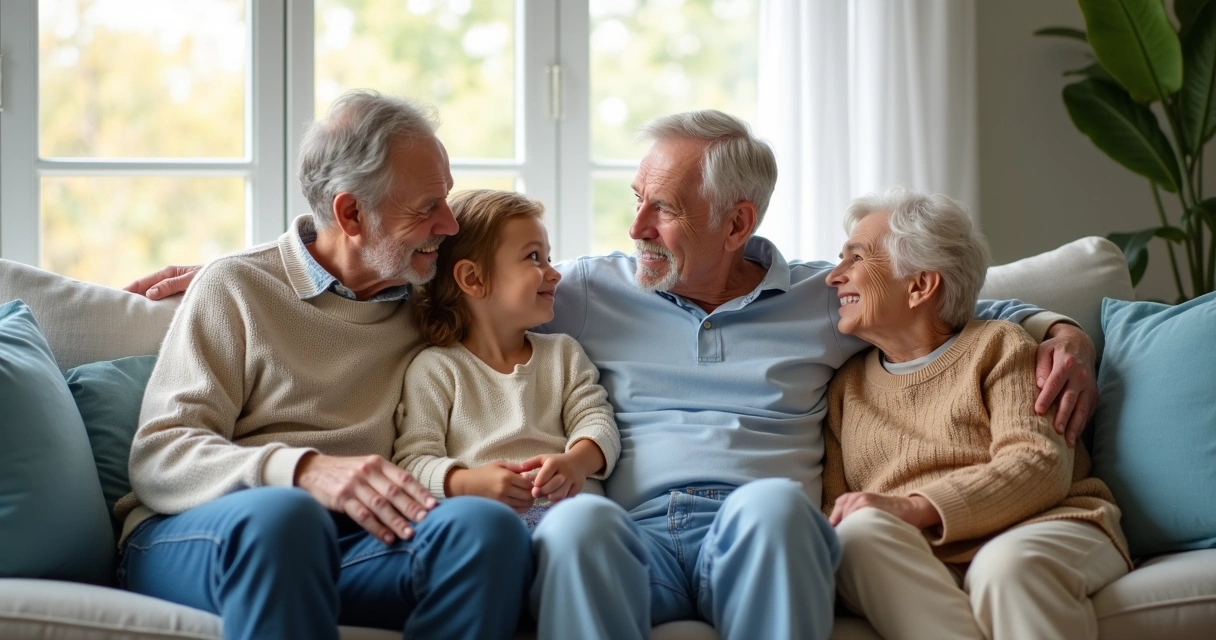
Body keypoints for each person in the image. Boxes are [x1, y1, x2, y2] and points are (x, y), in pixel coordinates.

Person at [128, 108, 1101, 640]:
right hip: (622, 529)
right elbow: (443, 267)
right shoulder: (581, 290)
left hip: (745, 527)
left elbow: (951, 307)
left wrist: (1062, 329)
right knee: (579, 519)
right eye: (634, 202)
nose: (632, 229)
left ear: (737, 224)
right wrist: (224, 266)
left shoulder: (822, 297)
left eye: (662, 210)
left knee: (768, 507)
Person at [114, 91, 532, 640]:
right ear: (351, 212)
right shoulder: (237, 288)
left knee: (485, 528)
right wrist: (304, 471)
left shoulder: (430, 294)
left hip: (359, 541)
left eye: (447, 200)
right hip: (206, 531)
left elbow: (530, 273)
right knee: (288, 518)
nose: (449, 225)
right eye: (426, 207)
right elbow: (160, 455)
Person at [820, 188, 1130, 640]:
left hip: (1044, 525)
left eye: (856, 258)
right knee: (855, 535)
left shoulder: (999, 346)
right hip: (922, 560)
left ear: (920, 286)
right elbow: (836, 509)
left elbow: (1037, 464)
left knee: (1005, 568)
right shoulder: (846, 388)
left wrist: (915, 507)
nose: (834, 277)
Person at [393, 189, 620, 529]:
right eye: (533, 257)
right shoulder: (436, 370)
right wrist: (467, 484)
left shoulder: (563, 354)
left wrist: (576, 463)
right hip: (488, 526)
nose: (553, 272)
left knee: (591, 524)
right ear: (473, 279)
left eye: (548, 257)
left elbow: (598, 423)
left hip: (571, 519)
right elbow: (412, 462)